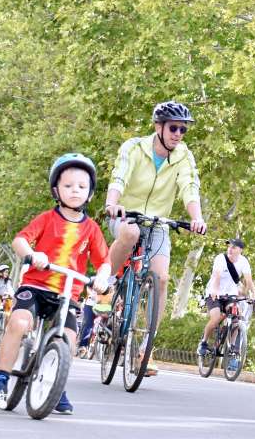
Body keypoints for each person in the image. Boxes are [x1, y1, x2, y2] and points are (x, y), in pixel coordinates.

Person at [0, 153, 110, 415]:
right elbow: (20, 240)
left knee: (69, 340)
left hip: (68, 293)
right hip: (35, 287)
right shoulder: (47, 218)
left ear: (90, 193)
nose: (74, 191)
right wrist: (32, 254)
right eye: (68, 185)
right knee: (19, 322)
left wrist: (103, 277)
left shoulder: (92, 228)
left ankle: (56, 386)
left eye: (82, 186)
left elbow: (103, 261)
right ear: (56, 189)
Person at [104, 101, 206, 377]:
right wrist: (112, 202)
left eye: (183, 130)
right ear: (158, 126)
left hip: (159, 222)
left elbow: (189, 187)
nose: (178, 134)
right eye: (174, 128)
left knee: (161, 279)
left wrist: (196, 217)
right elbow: (119, 177)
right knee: (130, 233)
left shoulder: (184, 155)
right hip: (126, 214)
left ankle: (145, 351)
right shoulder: (134, 147)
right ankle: (107, 284)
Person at [198, 238, 255, 361]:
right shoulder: (220, 258)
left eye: (233, 247)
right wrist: (215, 290)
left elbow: (249, 280)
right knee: (216, 318)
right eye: (229, 247)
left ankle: (232, 346)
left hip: (230, 295)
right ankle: (203, 342)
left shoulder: (244, 261)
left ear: (240, 250)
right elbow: (217, 275)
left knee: (236, 317)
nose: (230, 249)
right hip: (214, 293)